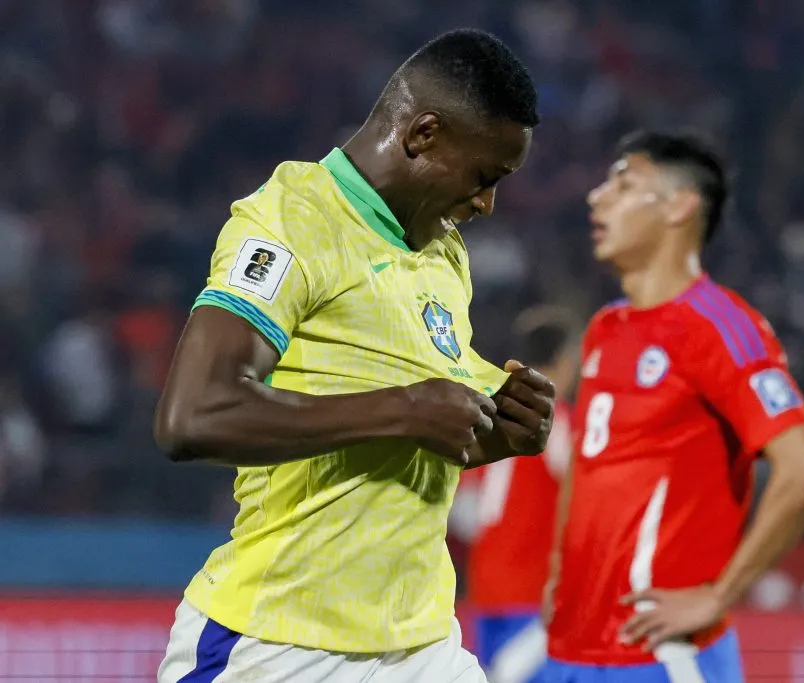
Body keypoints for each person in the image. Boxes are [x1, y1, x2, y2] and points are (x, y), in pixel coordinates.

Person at [154, 29, 555, 683]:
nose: (488, 202)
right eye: (485, 177)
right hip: (280, 645)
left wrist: (496, 430)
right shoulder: (293, 221)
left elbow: (410, 439)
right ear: (423, 134)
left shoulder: (441, 249)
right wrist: (404, 410)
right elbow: (192, 415)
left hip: (422, 643)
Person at [540, 131, 804, 682]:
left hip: (661, 657)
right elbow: (588, 458)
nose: (597, 197)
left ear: (680, 206)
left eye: (624, 185)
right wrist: (561, 563)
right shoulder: (607, 327)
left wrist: (718, 596)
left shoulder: (719, 327)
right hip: (571, 650)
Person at [450, 306, 578, 683]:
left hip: (485, 591)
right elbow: (582, 494)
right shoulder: (554, 419)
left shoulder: (492, 417)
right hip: (534, 595)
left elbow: (465, 514)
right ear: (565, 361)